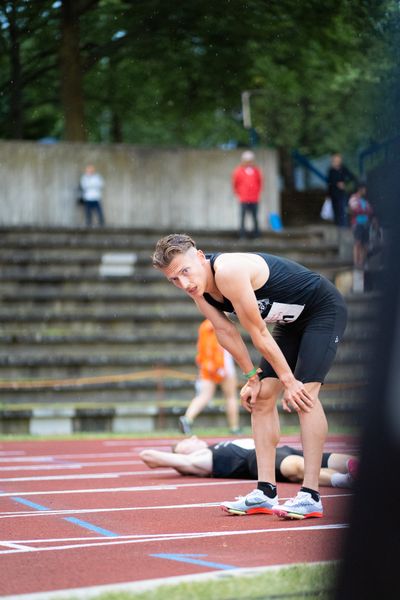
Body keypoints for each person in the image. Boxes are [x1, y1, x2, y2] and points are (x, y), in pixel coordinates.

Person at [152, 234, 347, 520]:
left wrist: (290, 382)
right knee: (261, 398)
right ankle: (265, 492)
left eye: (185, 272)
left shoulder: (229, 271)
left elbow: (258, 333)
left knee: (304, 393)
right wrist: (252, 378)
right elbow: (225, 332)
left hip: (322, 310)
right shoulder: (199, 292)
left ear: (200, 257)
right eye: (174, 280)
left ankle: (311, 495)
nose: (185, 284)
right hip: (289, 324)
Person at [139, 436, 359, 501]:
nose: (194, 437)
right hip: (258, 459)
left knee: (325, 457)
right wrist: (177, 456)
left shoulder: (214, 446)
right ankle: (345, 481)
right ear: (182, 453)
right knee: (298, 468)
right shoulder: (199, 460)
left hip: (277, 447)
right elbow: (147, 456)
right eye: (186, 441)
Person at [178, 319, 240, 435]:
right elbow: (219, 347)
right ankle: (234, 427)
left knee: (204, 396)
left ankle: (187, 418)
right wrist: (220, 367)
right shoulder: (222, 323)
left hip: (207, 365)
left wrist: (202, 364)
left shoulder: (204, 325)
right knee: (231, 396)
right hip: (222, 364)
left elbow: (201, 347)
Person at [232, 150, 263, 239]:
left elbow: (260, 183)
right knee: (243, 217)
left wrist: (256, 193)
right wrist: (240, 194)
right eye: (246, 160)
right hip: (244, 198)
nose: (248, 162)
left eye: (250, 160)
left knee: (255, 217)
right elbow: (235, 184)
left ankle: (256, 235)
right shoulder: (238, 171)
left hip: (254, 198)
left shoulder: (256, 171)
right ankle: (242, 235)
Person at [348, 184, 374, 269]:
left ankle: (362, 262)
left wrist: (365, 211)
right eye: (364, 189)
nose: (365, 191)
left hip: (365, 223)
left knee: (365, 244)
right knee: (358, 243)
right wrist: (364, 210)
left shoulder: (365, 200)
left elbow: (370, 210)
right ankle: (356, 262)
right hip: (358, 223)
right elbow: (355, 209)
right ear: (360, 189)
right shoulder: (354, 198)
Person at [327, 153, 357, 227]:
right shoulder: (331, 170)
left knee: (342, 209)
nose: (336, 161)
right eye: (335, 160)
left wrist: (344, 183)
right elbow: (329, 183)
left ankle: (344, 226)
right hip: (333, 193)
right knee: (336, 211)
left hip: (341, 193)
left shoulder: (343, 169)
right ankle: (338, 226)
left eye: (338, 160)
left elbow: (352, 177)